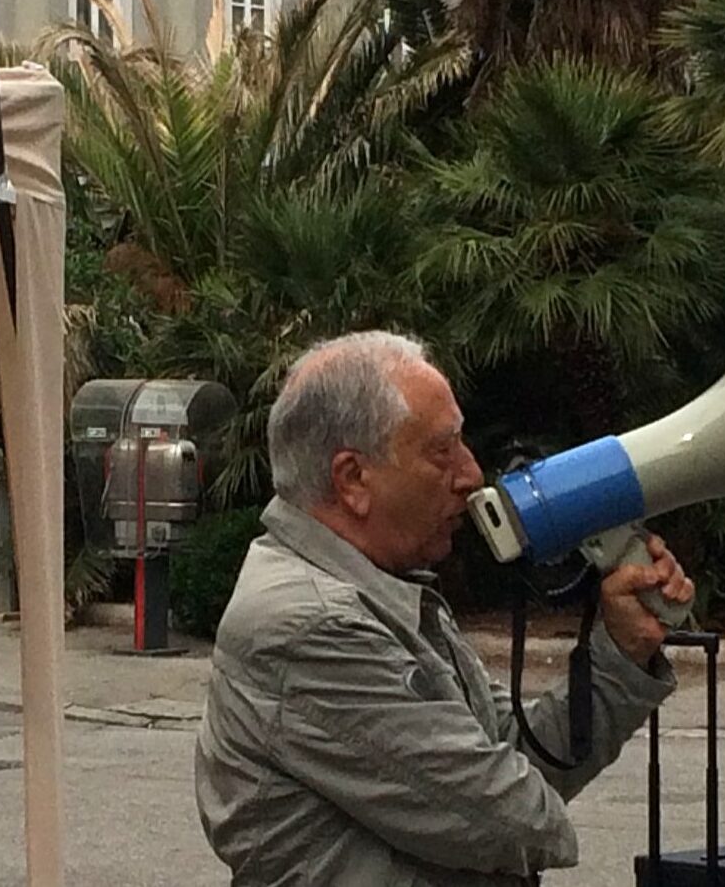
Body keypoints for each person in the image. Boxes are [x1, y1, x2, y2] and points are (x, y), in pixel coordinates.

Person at [195, 332, 693, 885]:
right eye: (442, 449)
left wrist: (621, 653)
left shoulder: (382, 588)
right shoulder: (310, 622)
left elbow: (512, 749)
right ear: (353, 479)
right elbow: (505, 819)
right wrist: (539, 813)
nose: (470, 474)